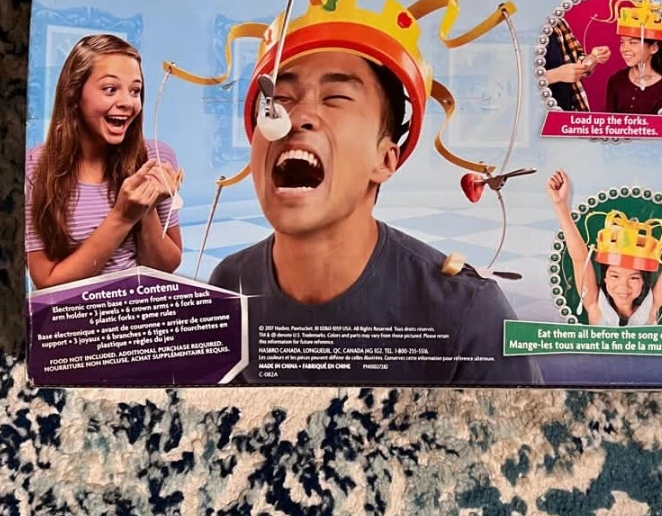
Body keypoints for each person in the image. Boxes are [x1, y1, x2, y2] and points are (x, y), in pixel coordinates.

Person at [210, 48, 541, 385]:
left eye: (335, 97)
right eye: (278, 99)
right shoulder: (229, 284)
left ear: (384, 161)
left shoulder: (470, 313)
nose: (293, 118)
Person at [26, 34, 183, 289]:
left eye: (135, 91)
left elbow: (165, 267)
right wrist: (123, 216)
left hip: (140, 308)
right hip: (74, 312)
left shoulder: (158, 157)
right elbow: (47, 282)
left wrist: (147, 209)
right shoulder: (34, 167)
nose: (127, 103)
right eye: (110, 89)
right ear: (74, 94)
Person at [547, 169, 662, 326]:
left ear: (643, 282)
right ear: (604, 278)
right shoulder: (594, 304)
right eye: (615, 276)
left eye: (634, 278)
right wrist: (560, 204)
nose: (623, 286)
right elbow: (580, 259)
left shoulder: (651, 307)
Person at [543, 19, 610, 111]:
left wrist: (593, 58)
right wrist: (556, 75)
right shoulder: (523, 27)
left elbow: (578, 61)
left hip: (567, 108)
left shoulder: (558, 22)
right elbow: (522, 81)